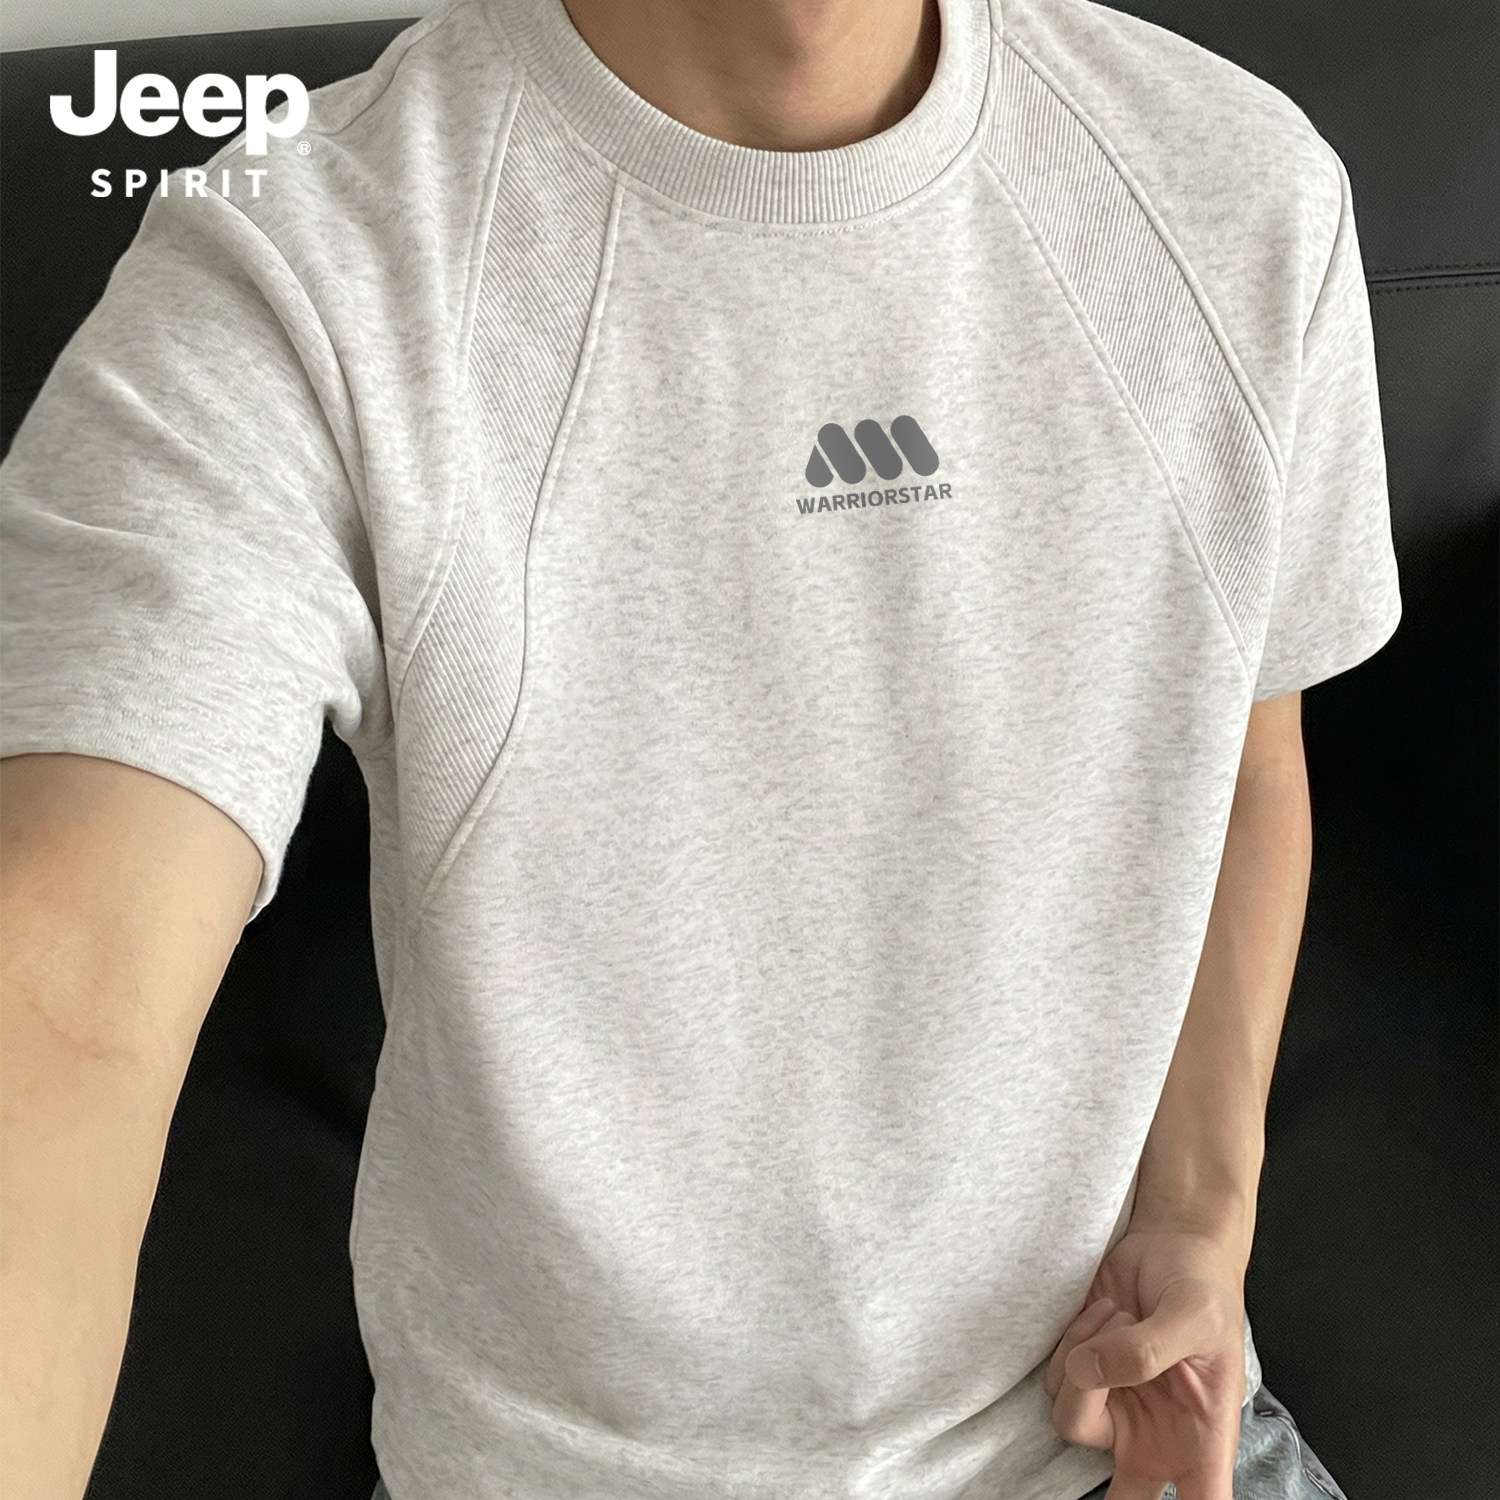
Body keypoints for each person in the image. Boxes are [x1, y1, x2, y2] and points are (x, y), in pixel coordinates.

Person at [0, 0, 1402, 1495]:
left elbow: (1242, 752)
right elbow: (62, 984)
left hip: (1114, 1439)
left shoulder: (1237, 185)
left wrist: (1199, 1218)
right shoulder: (300, 257)